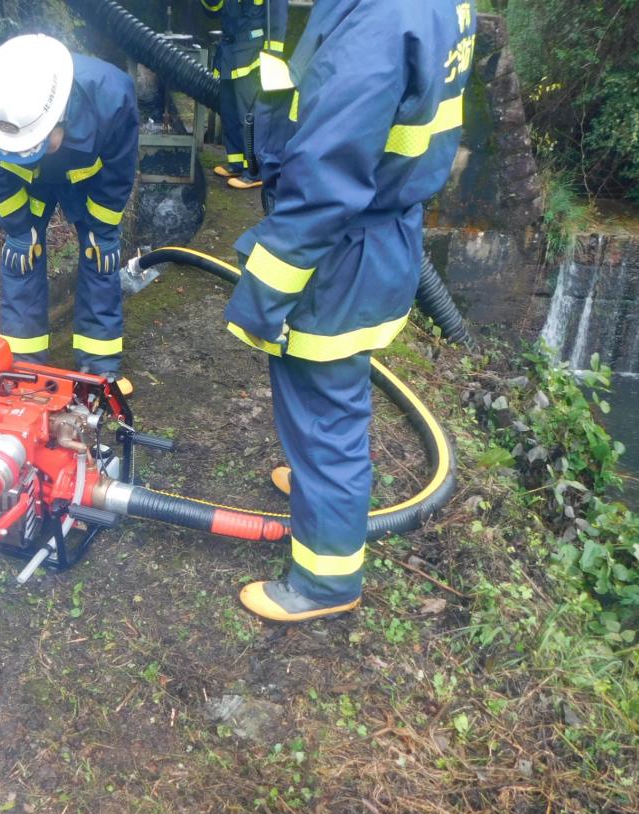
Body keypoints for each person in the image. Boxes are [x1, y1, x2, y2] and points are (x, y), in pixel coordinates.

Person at [225, 0, 477, 621]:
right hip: (378, 233)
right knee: (332, 399)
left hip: (339, 252)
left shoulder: (381, 24)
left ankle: (324, 583)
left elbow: (325, 183)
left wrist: (264, 294)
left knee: (324, 411)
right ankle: (321, 490)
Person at [0, 34, 138, 390]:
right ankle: (21, 368)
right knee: (22, 257)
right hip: (28, 184)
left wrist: (103, 228)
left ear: (62, 114)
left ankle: (99, 369)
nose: (38, 150)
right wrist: (18, 228)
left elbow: (120, 170)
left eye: (41, 143)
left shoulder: (112, 96)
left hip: (89, 178)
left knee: (99, 255)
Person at [201, 0, 288, 190]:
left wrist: (272, 58)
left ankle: (256, 171)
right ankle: (237, 163)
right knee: (230, 113)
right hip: (229, 54)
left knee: (250, 117)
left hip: (253, 58)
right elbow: (214, 10)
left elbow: (277, 19)